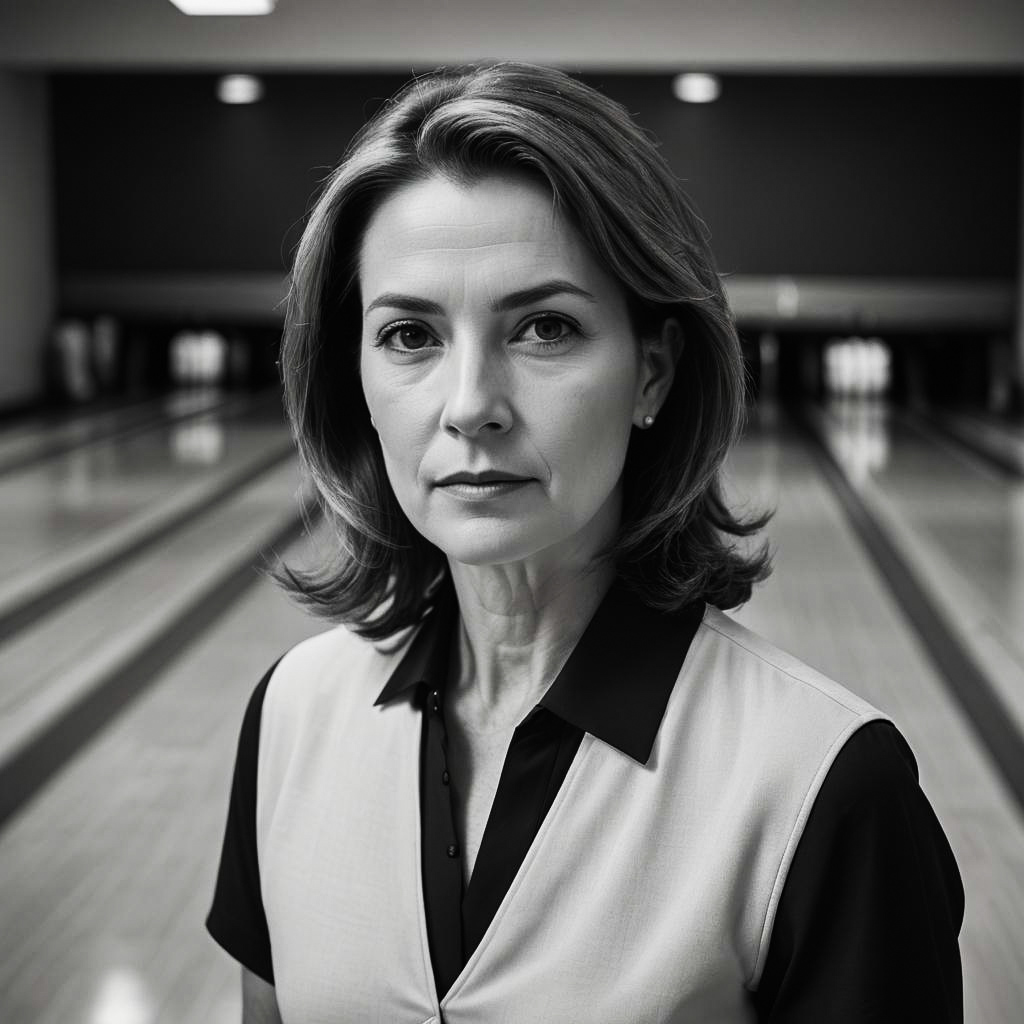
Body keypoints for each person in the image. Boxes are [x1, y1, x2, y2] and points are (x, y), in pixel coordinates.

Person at [207, 62, 964, 1023]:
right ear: (349, 368)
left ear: (652, 372)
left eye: (545, 328)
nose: (470, 406)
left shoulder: (824, 786)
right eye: (409, 335)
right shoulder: (291, 716)